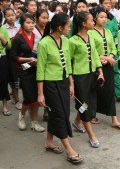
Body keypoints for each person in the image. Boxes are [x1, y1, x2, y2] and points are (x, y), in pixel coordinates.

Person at [37, 12, 83, 164]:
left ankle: (49, 142)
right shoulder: (44, 43)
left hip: (63, 82)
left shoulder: (66, 40)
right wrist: (40, 94)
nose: (70, 29)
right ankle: (68, 148)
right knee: (59, 114)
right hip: (50, 84)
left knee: (60, 112)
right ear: (60, 27)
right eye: (68, 26)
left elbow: (68, 63)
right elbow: (41, 69)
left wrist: (71, 83)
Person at [89, 6, 120, 130]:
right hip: (96, 67)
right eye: (101, 17)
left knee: (110, 92)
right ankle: (91, 114)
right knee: (95, 92)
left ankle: (114, 119)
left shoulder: (108, 32)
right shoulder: (90, 32)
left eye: (105, 17)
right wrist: (104, 58)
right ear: (95, 18)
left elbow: (113, 48)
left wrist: (110, 56)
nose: (104, 19)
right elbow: (91, 51)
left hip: (108, 66)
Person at [69, 11, 103, 148]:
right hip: (79, 77)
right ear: (84, 24)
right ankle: (91, 135)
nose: (94, 22)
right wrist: (70, 81)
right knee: (84, 104)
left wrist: (100, 71)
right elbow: (68, 62)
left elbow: (95, 55)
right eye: (91, 20)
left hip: (91, 74)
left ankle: (77, 122)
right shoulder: (72, 41)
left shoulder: (91, 37)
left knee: (88, 102)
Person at [10, 13, 45, 132]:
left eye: (32, 22)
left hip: (36, 69)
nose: (31, 25)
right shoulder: (18, 39)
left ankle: (34, 122)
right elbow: (14, 57)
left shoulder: (37, 37)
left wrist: (37, 61)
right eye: (28, 23)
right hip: (24, 71)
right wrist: (29, 59)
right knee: (29, 97)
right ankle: (22, 115)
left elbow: (41, 53)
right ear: (22, 24)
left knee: (36, 97)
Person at [99, 0, 120, 102]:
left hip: (113, 48)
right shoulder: (97, 18)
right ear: (100, 4)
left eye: (109, 3)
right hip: (102, 51)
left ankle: (119, 93)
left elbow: (116, 32)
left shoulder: (112, 17)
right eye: (106, 3)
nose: (108, 5)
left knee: (115, 72)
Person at [3, 8, 21, 109]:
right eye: (8, 15)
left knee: (18, 78)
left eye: (12, 15)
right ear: (5, 17)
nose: (11, 17)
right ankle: (16, 99)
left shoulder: (19, 26)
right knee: (13, 77)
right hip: (9, 55)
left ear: (15, 15)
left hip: (20, 53)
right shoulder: (3, 29)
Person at [0, 22, 12, 116]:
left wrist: (1, 36)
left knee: (3, 81)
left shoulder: (3, 29)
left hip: (2, 58)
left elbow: (9, 46)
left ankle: (5, 105)